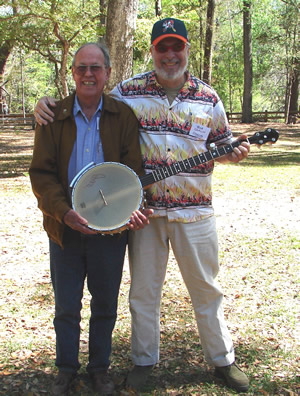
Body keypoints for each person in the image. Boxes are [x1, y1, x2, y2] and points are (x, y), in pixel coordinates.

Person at [34, 18, 251, 393]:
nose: (169, 55)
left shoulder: (209, 98)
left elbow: (224, 143)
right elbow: (90, 96)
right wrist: (45, 102)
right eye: (162, 47)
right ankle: (143, 362)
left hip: (195, 213)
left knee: (206, 290)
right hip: (144, 215)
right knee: (143, 295)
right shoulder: (127, 92)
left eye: (176, 47)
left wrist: (235, 153)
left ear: (186, 49)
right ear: (152, 50)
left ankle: (223, 361)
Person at [29, 42, 152, 396]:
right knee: (66, 305)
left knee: (105, 305)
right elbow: (41, 174)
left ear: (108, 74)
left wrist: (133, 211)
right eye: (81, 67)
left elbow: (134, 172)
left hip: (110, 232)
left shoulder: (122, 117)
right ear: (72, 73)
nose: (88, 74)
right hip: (63, 229)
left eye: (95, 68)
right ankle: (65, 369)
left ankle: (100, 370)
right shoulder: (53, 116)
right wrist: (62, 213)